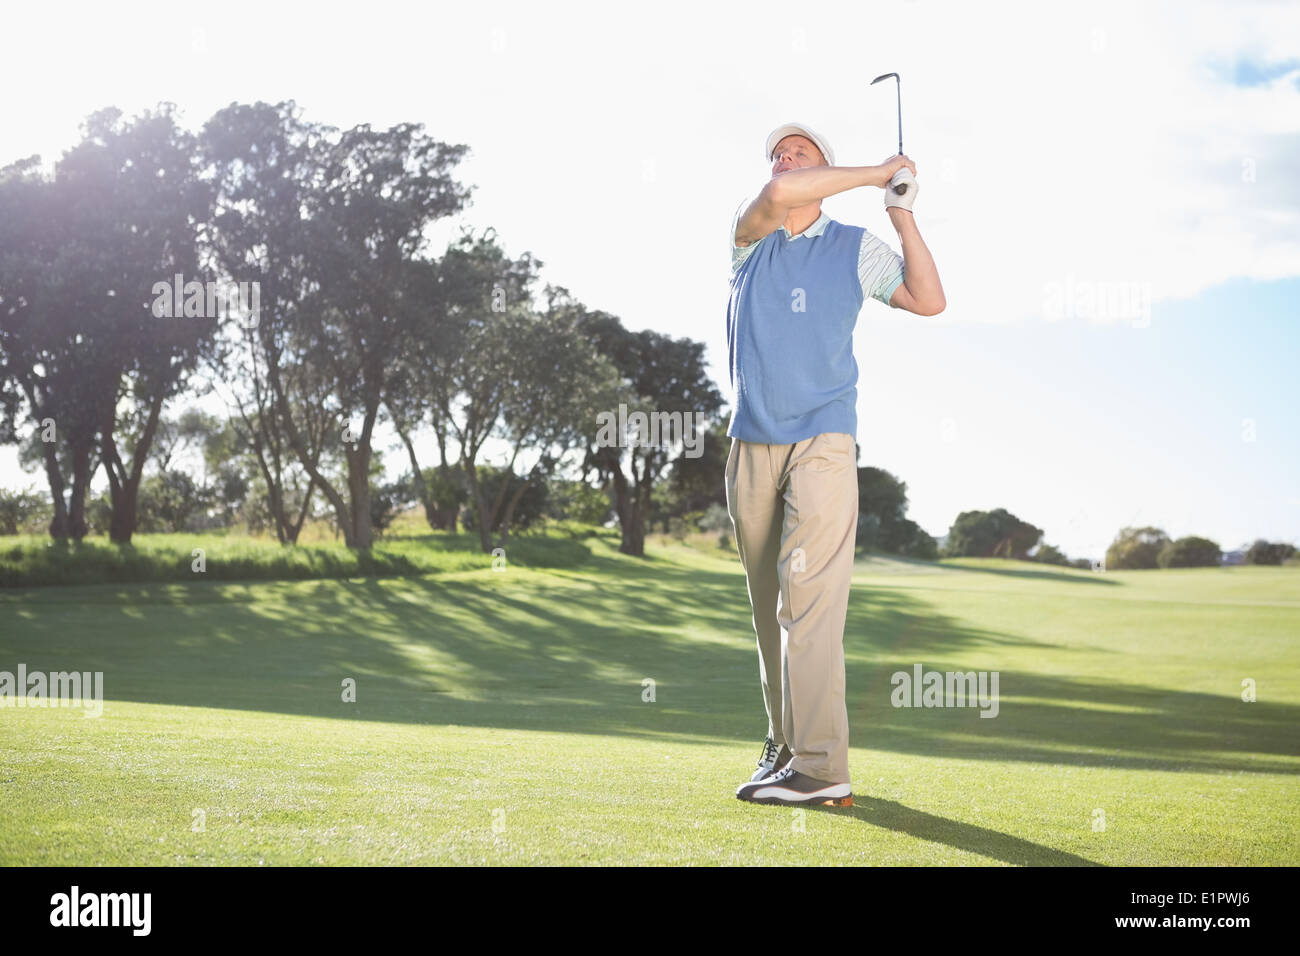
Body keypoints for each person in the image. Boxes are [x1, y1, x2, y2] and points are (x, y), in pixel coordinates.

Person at [728, 121, 945, 806]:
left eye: (801, 152)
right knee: (769, 610)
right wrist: (875, 171)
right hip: (751, 443)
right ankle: (785, 746)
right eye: (779, 154)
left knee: (810, 603)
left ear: (823, 168)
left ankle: (822, 769)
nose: (786, 161)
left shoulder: (855, 249)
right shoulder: (749, 237)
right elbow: (779, 192)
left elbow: (928, 299)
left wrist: (901, 215)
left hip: (824, 440)